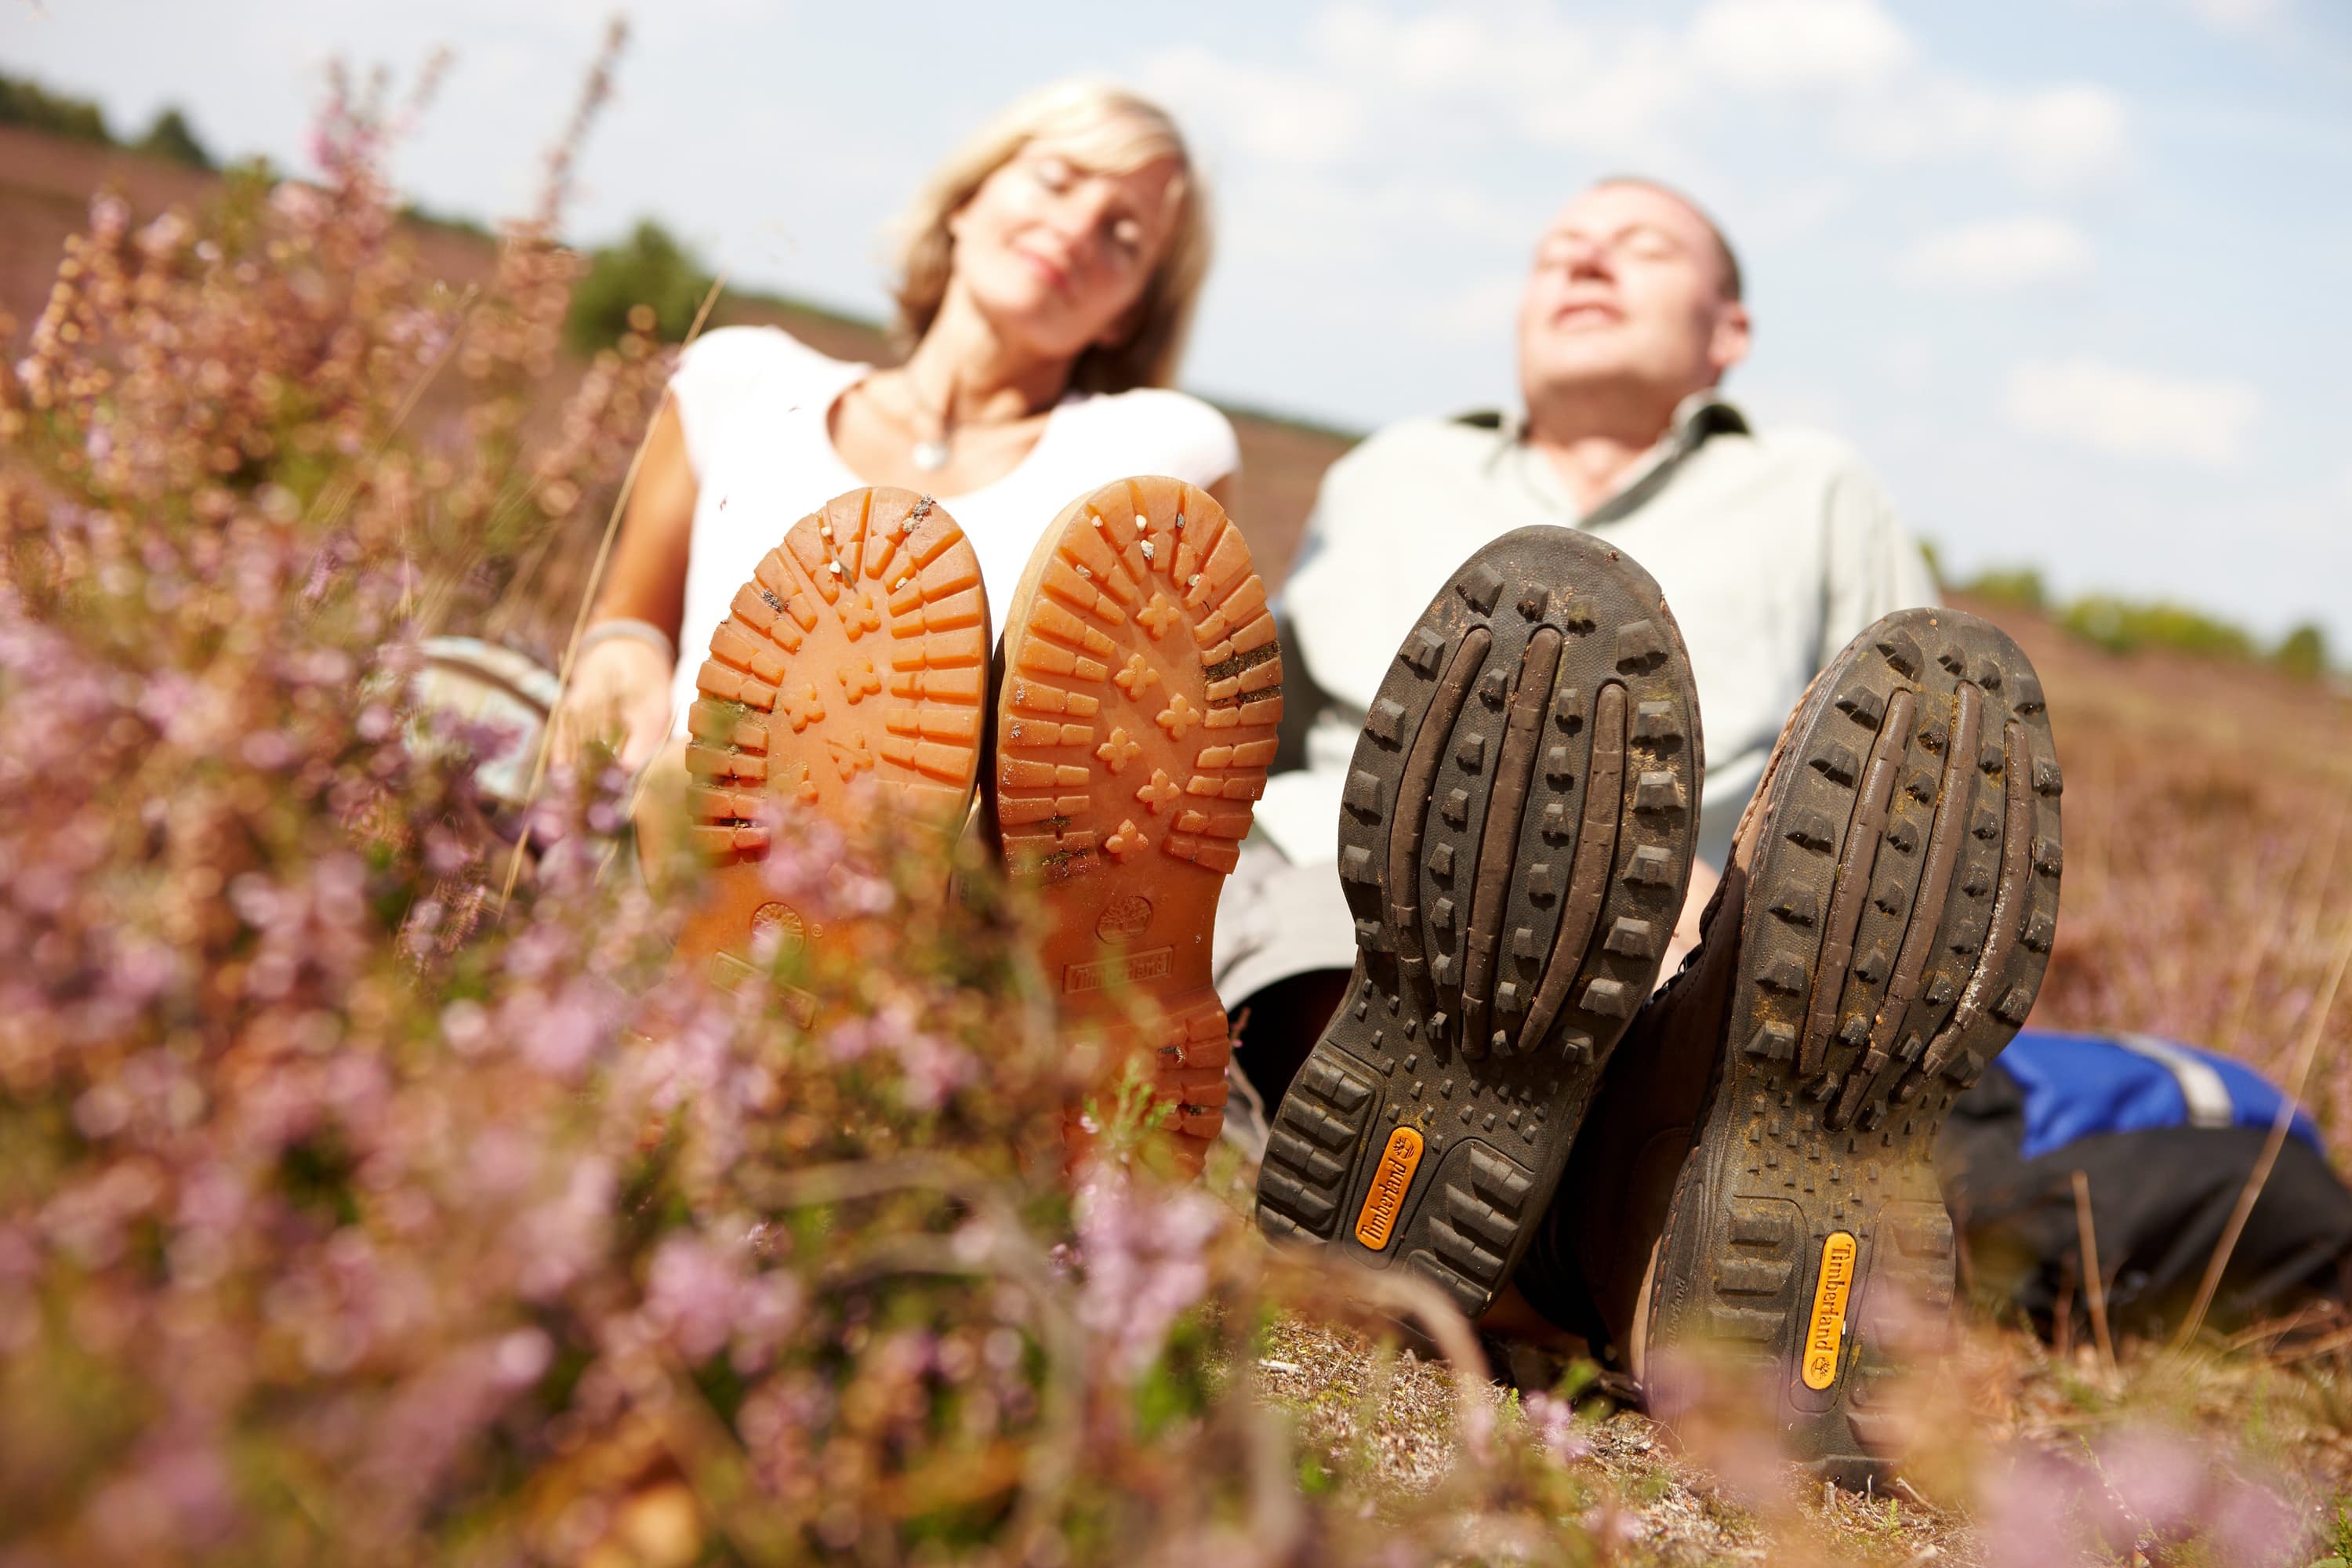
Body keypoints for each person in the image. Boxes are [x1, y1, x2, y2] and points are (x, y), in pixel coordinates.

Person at [1221, 177, 1935, 1126]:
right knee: (1308, 934)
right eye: (1558, 251)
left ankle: (1445, 1184)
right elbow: (1263, 732)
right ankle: (1561, 1195)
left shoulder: (1818, 491)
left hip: (1666, 934)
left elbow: (1910, 784)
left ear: (1729, 332)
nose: (1586, 261)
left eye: (1643, 247)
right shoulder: (1389, 470)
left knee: (1691, 989)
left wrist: (1742, 911)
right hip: (1353, 897)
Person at [550, 78, 1238, 774]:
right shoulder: (741, 383)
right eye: (1055, 181)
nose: (1078, 228)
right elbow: (631, 620)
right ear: (966, 201)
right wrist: (621, 665)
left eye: (1124, 238)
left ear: (1129, 313)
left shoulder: (1144, 465)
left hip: (928, 871)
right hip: (670, 827)